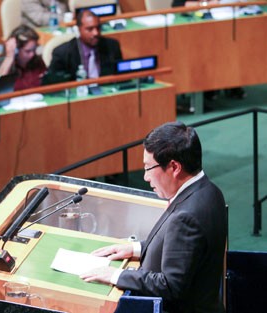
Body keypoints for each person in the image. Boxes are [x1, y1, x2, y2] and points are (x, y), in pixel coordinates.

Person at [80, 121, 227, 313]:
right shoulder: (210, 190)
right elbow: (186, 251)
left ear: (174, 167)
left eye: (148, 168)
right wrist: (136, 248)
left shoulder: (186, 216)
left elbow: (170, 286)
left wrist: (116, 275)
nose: (145, 177)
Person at [172, 0, 246, 100]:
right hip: (196, 27)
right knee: (206, 48)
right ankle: (208, 87)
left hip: (223, 22)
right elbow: (177, 5)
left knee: (230, 43)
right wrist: (204, 5)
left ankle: (231, 83)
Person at [48, 9, 122, 81]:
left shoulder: (112, 46)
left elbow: (120, 76)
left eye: (98, 28)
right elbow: (54, 83)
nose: (95, 33)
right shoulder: (62, 53)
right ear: (78, 29)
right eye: (90, 29)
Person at [0, 25, 47, 91]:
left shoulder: (37, 61)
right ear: (16, 49)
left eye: (34, 49)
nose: (32, 54)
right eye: (28, 51)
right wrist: (9, 58)